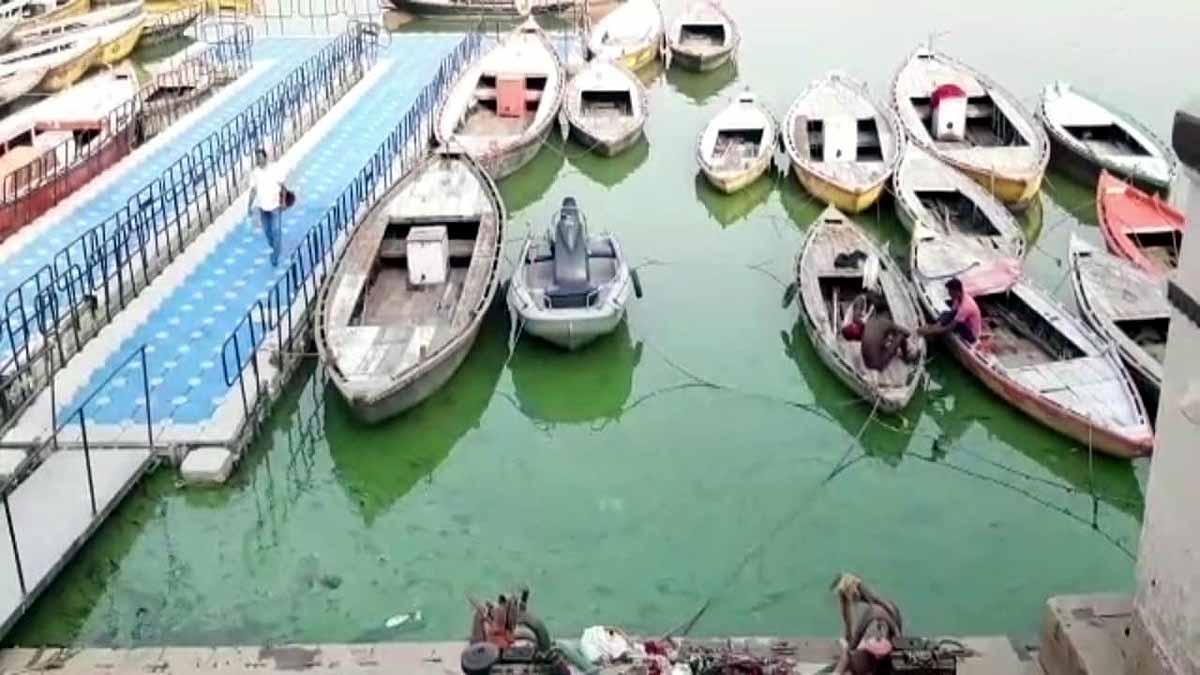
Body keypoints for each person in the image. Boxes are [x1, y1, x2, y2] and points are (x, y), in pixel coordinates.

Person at [832, 573, 903, 675]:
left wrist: (849, 647)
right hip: (889, 645)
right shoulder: (882, 607)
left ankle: (837, 673)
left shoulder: (873, 611)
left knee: (848, 650)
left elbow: (853, 644)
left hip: (881, 654)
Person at [842, 292, 919, 371]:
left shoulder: (872, 310)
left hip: (864, 337)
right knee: (890, 336)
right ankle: (905, 356)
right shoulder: (860, 300)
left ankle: (894, 349)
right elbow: (856, 319)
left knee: (880, 335)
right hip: (849, 329)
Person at [247, 148, 288, 267]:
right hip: (262, 208)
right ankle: (274, 246)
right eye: (257, 158)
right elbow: (253, 190)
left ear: (265, 157)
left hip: (275, 207)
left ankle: (275, 256)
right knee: (268, 233)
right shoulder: (255, 173)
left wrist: (284, 202)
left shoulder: (274, 169)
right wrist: (248, 206)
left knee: (276, 231)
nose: (259, 160)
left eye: (260, 157)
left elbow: (283, 186)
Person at [919, 277, 982, 345]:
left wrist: (932, 331)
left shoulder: (965, 306)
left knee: (955, 323)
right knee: (946, 313)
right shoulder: (959, 297)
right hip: (965, 323)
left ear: (957, 291)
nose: (949, 294)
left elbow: (951, 327)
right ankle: (934, 327)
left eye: (950, 292)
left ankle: (931, 331)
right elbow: (951, 314)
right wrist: (937, 325)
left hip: (972, 335)